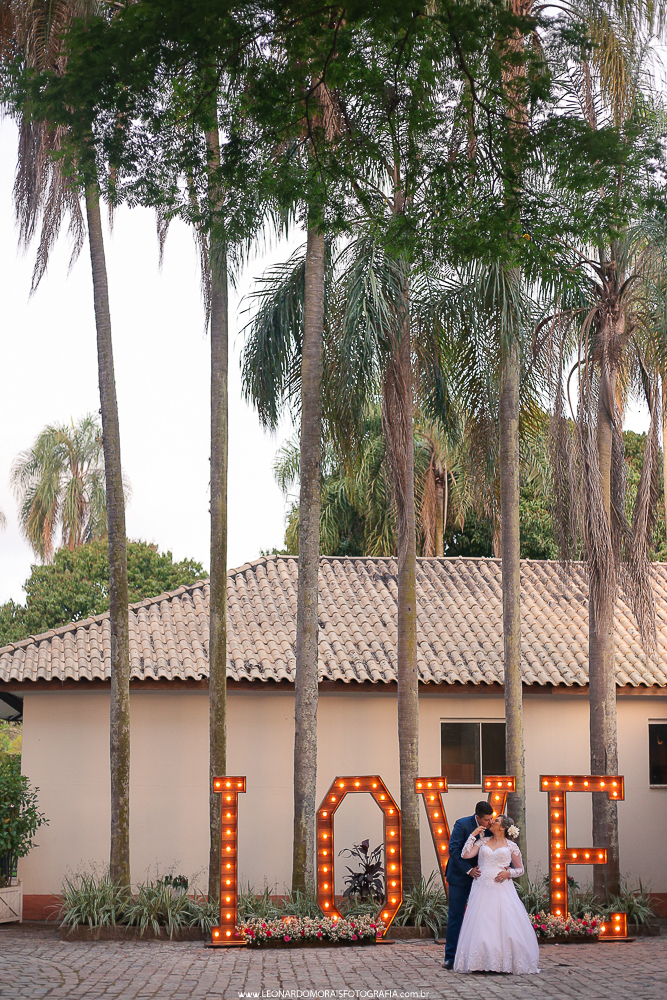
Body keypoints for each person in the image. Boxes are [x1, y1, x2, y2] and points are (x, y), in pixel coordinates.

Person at [453, 814, 540, 974]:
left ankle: (503, 962)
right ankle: (479, 961)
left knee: (504, 921)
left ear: (503, 827)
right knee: (482, 922)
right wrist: (472, 835)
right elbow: (465, 855)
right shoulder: (482, 841)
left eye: (496, 821)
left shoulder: (511, 846)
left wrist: (509, 874)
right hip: (482, 886)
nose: (492, 822)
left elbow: (520, 869)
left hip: (502, 888)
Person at [442, 800, 494, 970]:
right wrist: (469, 870)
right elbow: (454, 851)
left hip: (482, 880)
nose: (490, 822)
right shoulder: (462, 824)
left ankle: (477, 956)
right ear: (477, 818)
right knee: (456, 916)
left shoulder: (493, 828)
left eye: (491, 818)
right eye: (486, 820)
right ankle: (450, 957)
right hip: (459, 878)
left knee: (481, 918)